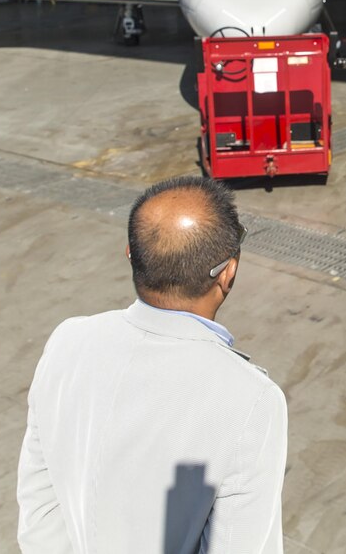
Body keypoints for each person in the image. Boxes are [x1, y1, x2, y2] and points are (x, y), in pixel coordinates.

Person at [17, 177, 287, 553]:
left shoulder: (68, 340)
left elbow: (38, 501)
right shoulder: (253, 399)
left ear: (130, 254)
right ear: (228, 273)